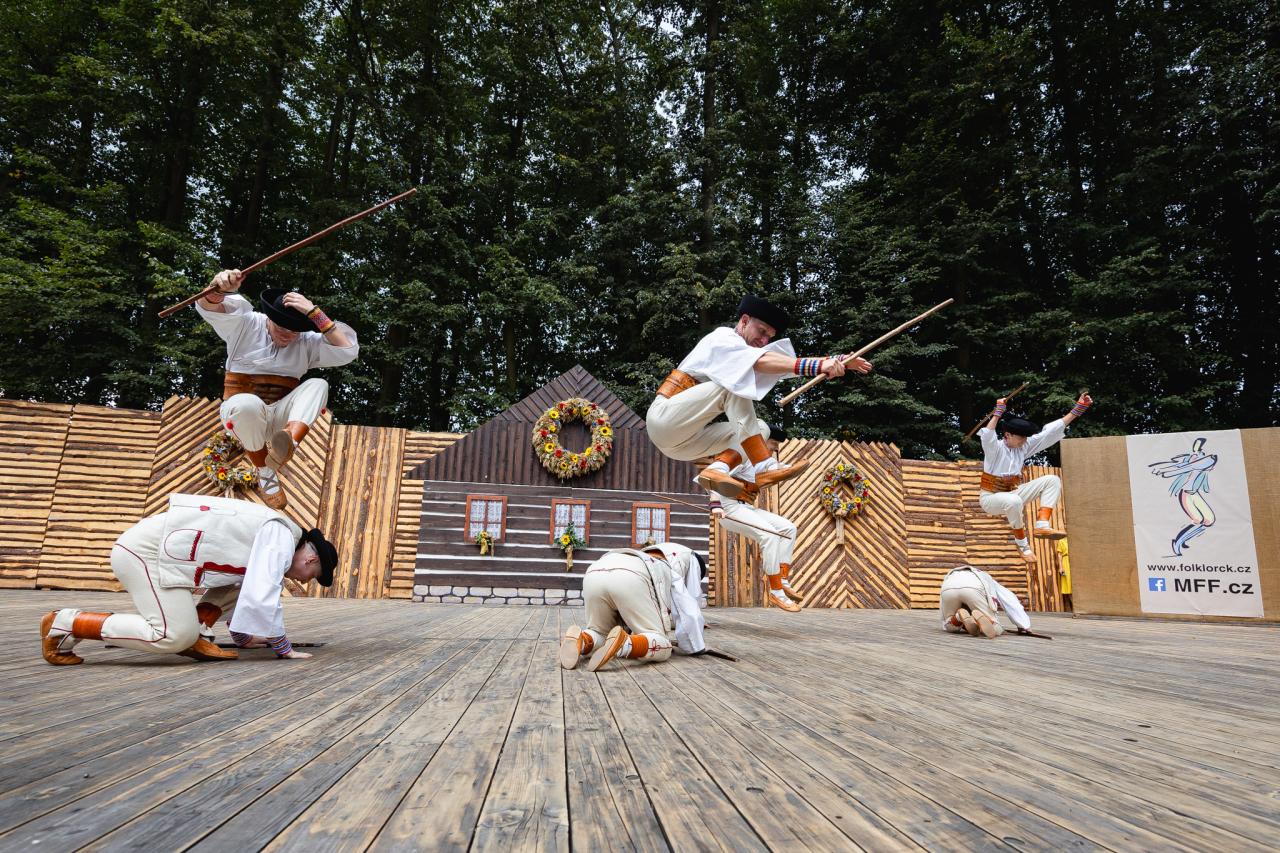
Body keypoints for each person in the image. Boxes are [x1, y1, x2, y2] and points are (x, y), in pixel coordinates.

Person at [40, 493, 337, 666]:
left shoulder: (279, 534)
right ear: (311, 560)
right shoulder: (282, 537)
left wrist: (243, 638)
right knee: (171, 636)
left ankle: (197, 635)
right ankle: (67, 623)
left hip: (159, 555)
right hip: (144, 553)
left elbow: (244, 588)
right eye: (312, 576)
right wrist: (284, 648)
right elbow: (262, 593)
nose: (304, 581)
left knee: (240, 584)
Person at [646, 294, 871, 499]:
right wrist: (819, 366)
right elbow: (763, 362)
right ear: (744, 321)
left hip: (684, 444)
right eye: (762, 332)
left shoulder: (743, 354)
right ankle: (763, 465)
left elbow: (782, 366)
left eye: (769, 337)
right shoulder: (722, 338)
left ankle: (718, 469)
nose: (764, 341)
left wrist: (838, 360)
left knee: (761, 428)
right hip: (664, 419)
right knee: (733, 386)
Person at [197, 269, 359, 509]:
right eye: (283, 327)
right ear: (269, 318)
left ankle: (288, 442)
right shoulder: (246, 323)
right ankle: (265, 472)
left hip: (279, 417)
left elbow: (347, 350)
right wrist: (218, 289)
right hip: (242, 414)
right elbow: (211, 307)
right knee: (248, 405)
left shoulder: (306, 341)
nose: (288, 335)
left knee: (318, 384)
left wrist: (316, 314)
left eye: (295, 330)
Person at [977, 392, 1092, 564]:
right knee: (1014, 500)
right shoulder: (995, 449)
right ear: (1007, 435)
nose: (1025, 440)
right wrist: (998, 413)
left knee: (1052, 480)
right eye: (1021, 437)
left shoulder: (1023, 447)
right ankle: (1022, 545)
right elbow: (988, 435)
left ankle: (1042, 525)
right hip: (990, 498)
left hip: (1013, 492)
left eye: (1026, 437)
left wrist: (1077, 410)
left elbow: (1048, 433)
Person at [558, 544, 706, 671]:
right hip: (632, 574)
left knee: (600, 632)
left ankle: (583, 640)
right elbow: (689, 606)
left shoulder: (651, 553)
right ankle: (624, 644)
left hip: (594, 571)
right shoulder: (687, 560)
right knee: (663, 644)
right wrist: (695, 646)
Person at [705, 425, 803, 611]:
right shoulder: (741, 455)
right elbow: (713, 474)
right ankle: (776, 592)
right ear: (761, 441)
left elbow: (779, 469)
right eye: (774, 444)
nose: (776, 449)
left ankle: (782, 579)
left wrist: (795, 468)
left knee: (788, 528)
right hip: (729, 508)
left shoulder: (763, 462)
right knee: (770, 535)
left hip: (746, 507)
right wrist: (715, 503)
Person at [939, 565, 1031, 638]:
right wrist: (1023, 625)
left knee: (949, 625)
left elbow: (943, 605)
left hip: (947, 587)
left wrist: (945, 618)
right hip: (973, 586)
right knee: (997, 629)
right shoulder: (986, 578)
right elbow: (1009, 599)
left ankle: (958, 617)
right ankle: (988, 620)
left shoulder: (952, 575)